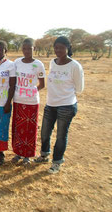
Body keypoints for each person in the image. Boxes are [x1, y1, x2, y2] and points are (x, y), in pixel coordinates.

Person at [35, 36, 84, 173]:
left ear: (67, 48)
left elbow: (79, 88)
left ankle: (56, 162)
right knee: (45, 132)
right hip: (51, 104)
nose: (58, 50)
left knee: (61, 135)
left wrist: (64, 94)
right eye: (56, 47)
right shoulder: (53, 62)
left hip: (67, 106)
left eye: (61, 48)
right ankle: (44, 155)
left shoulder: (75, 66)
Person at [11, 38, 45, 165]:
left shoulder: (38, 64)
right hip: (18, 100)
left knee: (30, 129)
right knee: (18, 127)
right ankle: (18, 153)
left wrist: (31, 91)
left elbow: (42, 84)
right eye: (24, 48)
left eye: (29, 48)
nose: (26, 51)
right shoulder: (17, 62)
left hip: (31, 101)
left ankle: (28, 155)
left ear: (34, 49)